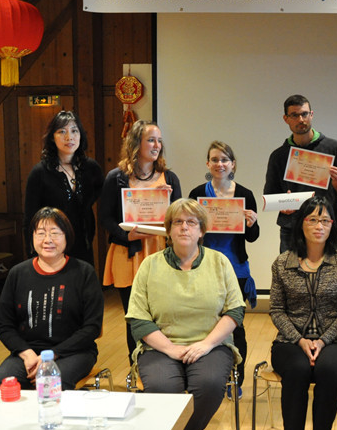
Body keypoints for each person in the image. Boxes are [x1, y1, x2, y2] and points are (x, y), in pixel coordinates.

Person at [126, 199, 244, 430]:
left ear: (201, 230)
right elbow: (138, 318)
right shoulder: (149, 265)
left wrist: (206, 344)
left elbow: (235, 311)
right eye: (177, 222)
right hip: (160, 346)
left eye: (192, 222)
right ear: (168, 230)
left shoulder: (220, 262)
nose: (184, 228)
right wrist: (170, 349)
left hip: (211, 344)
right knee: (161, 388)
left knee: (210, 384)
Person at [269, 196, 337, 430]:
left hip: (334, 342)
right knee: (296, 371)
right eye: (313, 219)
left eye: (325, 220)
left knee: (329, 372)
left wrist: (322, 340)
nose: (320, 225)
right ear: (301, 224)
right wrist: (300, 340)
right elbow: (276, 310)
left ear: (332, 226)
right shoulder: (282, 263)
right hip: (290, 342)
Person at [0, 207, 103, 390]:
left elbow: (92, 327)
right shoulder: (18, 273)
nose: (47, 240)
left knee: (51, 383)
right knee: (0, 382)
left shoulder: (84, 272)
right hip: (28, 352)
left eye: (55, 233)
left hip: (73, 352)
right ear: (32, 237)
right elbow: (4, 323)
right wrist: (27, 354)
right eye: (41, 233)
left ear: (67, 236)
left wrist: (52, 355)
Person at [99, 120, 182, 362]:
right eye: (151, 140)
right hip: (128, 253)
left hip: (160, 254)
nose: (157, 145)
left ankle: (163, 367)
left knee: (162, 315)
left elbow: (181, 220)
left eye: (159, 140)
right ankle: (136, 367)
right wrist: (126, 235)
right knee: (134, 317)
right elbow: (105, 217)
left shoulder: (169, 178)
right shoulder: (116, 178)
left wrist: (167, 203)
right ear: (136, 143)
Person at [188, 140, 258, 397]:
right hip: (203, 268)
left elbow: (252, 238)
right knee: (205, 324)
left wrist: (252, 223)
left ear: (233, 164)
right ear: (208, 164)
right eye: (215, 160)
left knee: (235, 327)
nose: (220, 164)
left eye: (225, 159)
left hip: (236, 269)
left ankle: (235, 380)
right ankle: (206, 377)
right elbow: (190, 232)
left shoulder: (245, 194)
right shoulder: (198, 193)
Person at [264, 94, 337, 253]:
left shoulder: (334, 148)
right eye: (295, 115)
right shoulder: (278, 156)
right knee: (290, 277)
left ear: (311, 115)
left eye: (304, 114)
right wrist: (283, 205)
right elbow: (270, 197)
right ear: (286, 119)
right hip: (291, 230)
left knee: (333, 277)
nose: (301, 119)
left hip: (326, 228)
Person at [24, 111, 103, 266]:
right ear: (52, 137)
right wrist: (32, 254)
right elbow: (29, 219)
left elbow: (109, 197)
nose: (69, 137)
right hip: (51, 247)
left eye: (74, 131)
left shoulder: (91, 168)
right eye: (62, 131)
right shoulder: (40, 172)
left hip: (83, 245)